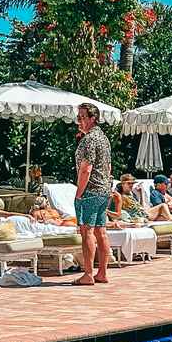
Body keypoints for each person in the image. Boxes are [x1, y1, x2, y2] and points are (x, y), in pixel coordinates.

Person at [74, 102, 113, 285]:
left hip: (90, 191)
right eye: (78, 117)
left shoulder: (89, 140)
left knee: (87, 232)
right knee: (101, 231)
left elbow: (86, 169)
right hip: (104, 190)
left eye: (83, 117)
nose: (79, 121)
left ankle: (88, 274)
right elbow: (109, 166)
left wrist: (79, 193)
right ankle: (102, 273)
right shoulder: (103, 138)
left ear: (93, 118)